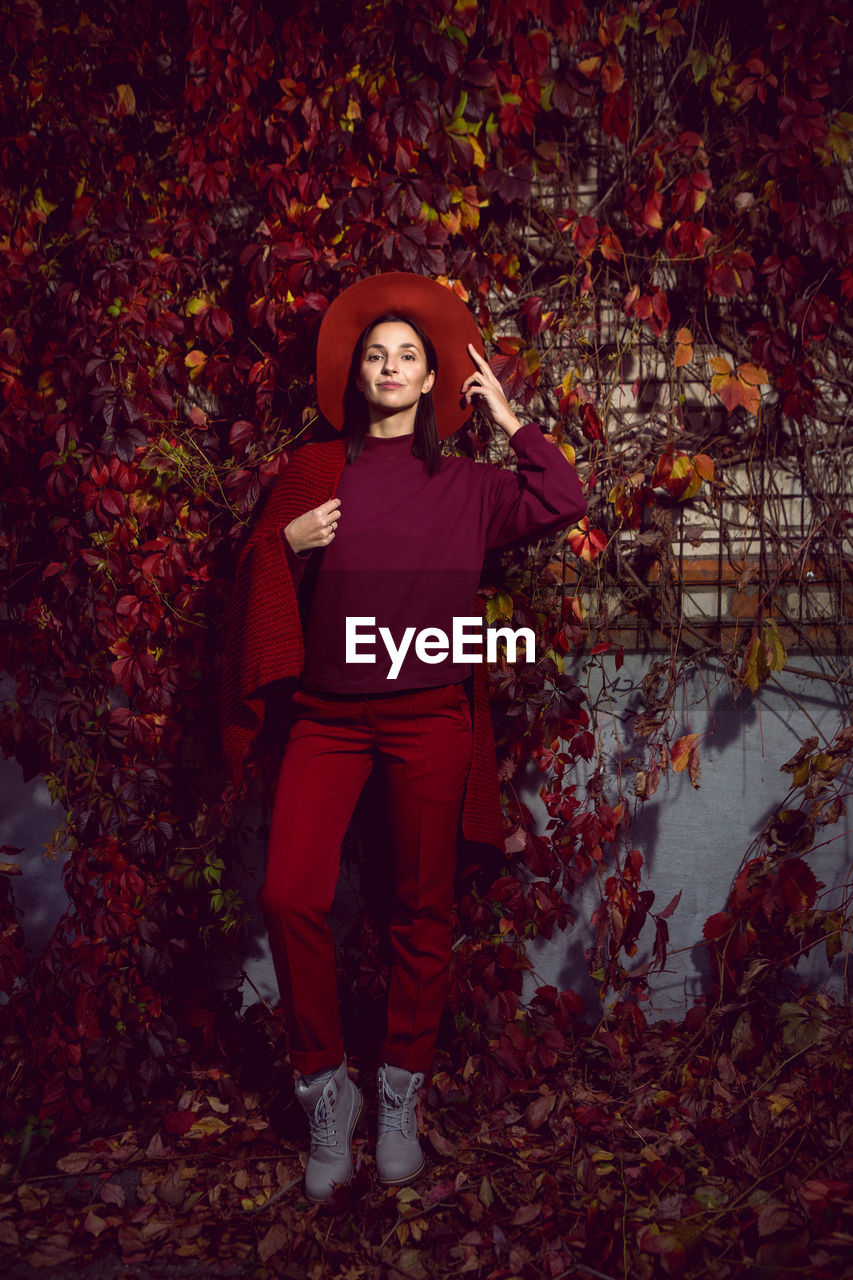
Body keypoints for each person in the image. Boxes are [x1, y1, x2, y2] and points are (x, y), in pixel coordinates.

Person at [221, 272, 587, 1203]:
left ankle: (398, 1096)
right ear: (359, 374)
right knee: (289, 892)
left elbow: (562, 496)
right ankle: (324, 1092)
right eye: (376, 355)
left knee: (420, 909)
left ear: (432, 381)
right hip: (329, 719)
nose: (390, 367)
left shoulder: (465, 486)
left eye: (408, 357)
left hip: (428, 716)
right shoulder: (315, 471)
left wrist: (510, 419)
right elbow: (255, 569)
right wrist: (286, 545)